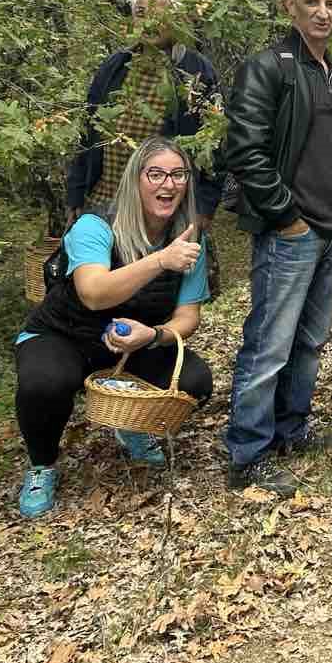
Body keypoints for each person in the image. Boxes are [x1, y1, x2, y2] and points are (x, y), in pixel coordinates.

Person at [14, 138, 213, 518]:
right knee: (44, 384)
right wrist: (160, 261)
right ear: (134, 180)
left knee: (195, 381)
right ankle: (42, 465)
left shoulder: (189, 238)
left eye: (178, 174)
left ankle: (132, 426)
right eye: (155, 174)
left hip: (130, 344)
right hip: (63, 335)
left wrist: (153, 335)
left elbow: (188, 316)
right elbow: (93, 294)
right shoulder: (95, 226)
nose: (167, 185)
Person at [220, 0, 332, 498]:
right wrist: (286, 217)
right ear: (290, 6)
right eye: (313, 2)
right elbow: (246, 151)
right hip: (291, 232)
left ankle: (290, 429)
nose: (323, 12)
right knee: (269, 343)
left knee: (310, 340)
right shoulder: (266, 68)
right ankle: (247, 451)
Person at [67, 0, 223, 236]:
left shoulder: (197, 72)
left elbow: (215, 145)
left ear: (179, 20)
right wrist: (76, 194)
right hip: (106, 200)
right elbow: (88, 131)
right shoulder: (114, 68)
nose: (150, 22)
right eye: (141, 13)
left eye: (160, 14)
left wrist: (205, 206)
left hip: (168, 207)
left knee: (163, 272)